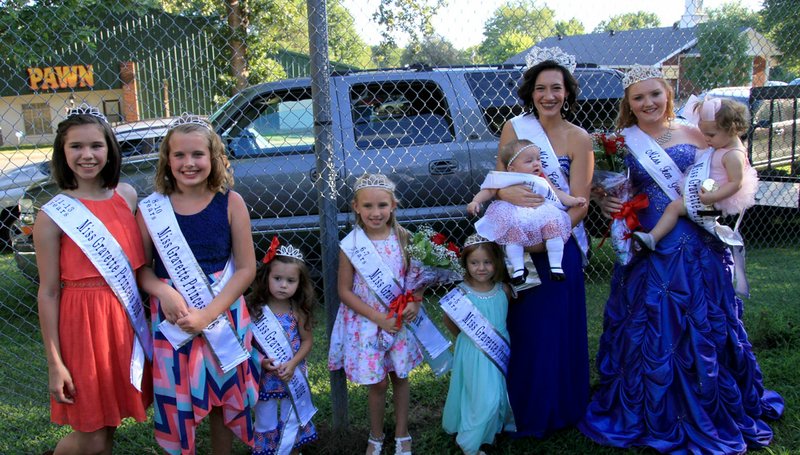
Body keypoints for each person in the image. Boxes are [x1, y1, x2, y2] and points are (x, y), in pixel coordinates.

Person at [579, 65, 784, 453]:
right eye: (638, 98)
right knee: (646, 319)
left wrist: (713, 197)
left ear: (667, 94)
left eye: (654, 94)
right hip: (647, 240)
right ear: (628, 103)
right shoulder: (621, 141)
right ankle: (648, 404)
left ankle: (709, 398)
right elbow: (607, 186)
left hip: (695, 242)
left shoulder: (698, 132)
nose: (648, 103)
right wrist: (606, 199)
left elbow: (724, 174)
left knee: (702, 317)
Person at [137, 114, 259, 454]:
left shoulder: (231, 203)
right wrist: (163, 291)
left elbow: (246, 268)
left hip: (224, 314)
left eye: (198, 155)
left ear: (214, 158)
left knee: (224, 399)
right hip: (174, 317)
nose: (189, 163)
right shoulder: (151, 210)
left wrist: (207, 316)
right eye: (179, 155)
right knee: (179, 402)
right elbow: (142, 270)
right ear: (167, 160)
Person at [34, 105, 152, 454]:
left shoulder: (126, 196)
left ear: (110, 149)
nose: (87, 155)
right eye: (76, 147)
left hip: (121, 323)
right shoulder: (52, 215)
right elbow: (49, 292)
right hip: (82, 326)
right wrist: (56, 363)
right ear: (63, 152)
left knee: (108, 427)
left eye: (96, 146)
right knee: (92, 434)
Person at [495, 46, 593, 437]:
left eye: (556, 87)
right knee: (526, 329)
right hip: (518, 238)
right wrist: (518, 230)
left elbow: (581, 203)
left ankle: (562, 407)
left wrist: (547, 238)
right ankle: (524, 407)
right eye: (540, 88)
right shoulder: (513, 129)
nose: (548, 95)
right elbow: (499, 184)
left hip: (558, 244)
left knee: (557, 327)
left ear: (567, 91)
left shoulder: (579, 137)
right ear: (529, 92)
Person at [328, 173, 422, 455]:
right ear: (356, 207)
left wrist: (415, 302)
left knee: (400, 377)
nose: (375, 212)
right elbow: (344, 291)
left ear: (393, 205)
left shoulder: (406, 239)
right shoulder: (352, 245)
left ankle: (402, 433)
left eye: (382, 205)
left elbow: (417, 280)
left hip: (399, 322)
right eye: (368, 206)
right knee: (378, 382)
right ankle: (376, 435)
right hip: (367, 323)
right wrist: (378, 318)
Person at [632, 96, 759, 250]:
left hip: (713, 199)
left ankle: (653, 238)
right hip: (704, 192)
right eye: (704, 133)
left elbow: (736, 183)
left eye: (711, 135)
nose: (706, 138)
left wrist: (713, 197)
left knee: (675, 207)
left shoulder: (733, 155)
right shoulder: (722, 145)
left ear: (732, 129)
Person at [468, 139, 586, 289]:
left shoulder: (541, 178)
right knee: (513, 237)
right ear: (512, 168)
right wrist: (475, 201)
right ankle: (518, 269)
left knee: (553, 229)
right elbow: (489, 190)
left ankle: (556, 266)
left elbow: (556, 193)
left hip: (542, 213)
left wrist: (573, 201)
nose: (536, 164)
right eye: (529, 161)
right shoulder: (506, 178)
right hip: (515, 214)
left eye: (538, 159)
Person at [441, 234, 515, 455]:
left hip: (498, 349)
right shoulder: (460, 293)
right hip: (473, 350)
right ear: (466, 264)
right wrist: (467, 341)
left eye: (487, 262)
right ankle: (469, 442)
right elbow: (449, 321)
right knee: (482, 396)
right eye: (474, 262)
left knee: (497, 394)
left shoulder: (503, 290)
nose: (481, 268)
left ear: (496, 262)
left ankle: (488, 432)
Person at [247, 238, 317, 455]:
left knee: (291, 416)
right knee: (265, 418)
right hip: (265, 377)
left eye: (290, 280)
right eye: (277, 278)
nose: (283, 285)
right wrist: (261, 360)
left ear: (299, 283)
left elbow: (307, 341)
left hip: (292, 374)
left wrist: (294, 363)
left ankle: (290, 451)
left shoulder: (298, 311)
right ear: (266, 276)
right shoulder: (255, 310)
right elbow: (246, 343)